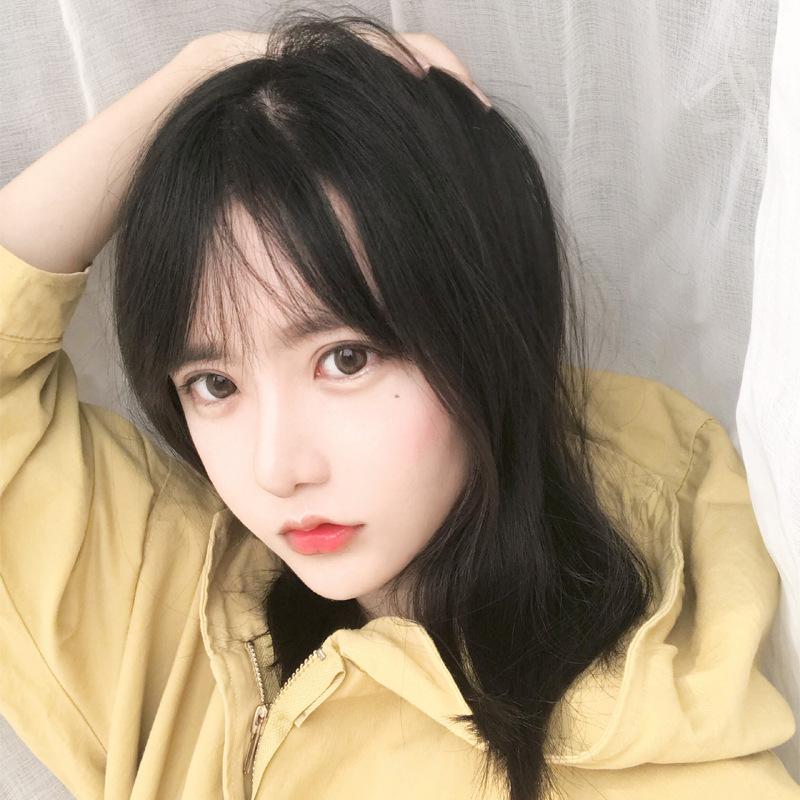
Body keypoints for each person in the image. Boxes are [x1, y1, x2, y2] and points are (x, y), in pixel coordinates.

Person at [0, 10, 797, 800]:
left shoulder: (671, 764)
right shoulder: (179, 611)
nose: (278, 469)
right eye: (215, 384)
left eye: (345, 359)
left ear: (487, 327)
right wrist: (203, 73)